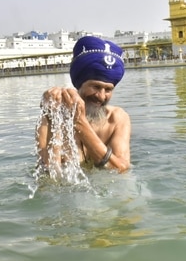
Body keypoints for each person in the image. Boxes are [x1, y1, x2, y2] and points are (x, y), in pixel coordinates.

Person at [36, 36, 131, 173]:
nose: (101, 96)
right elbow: (49, 175)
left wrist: (79, 122)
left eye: (108, 89)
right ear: (79, 85)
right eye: (96, 87)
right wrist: (52, 115)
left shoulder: (117, 118)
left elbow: (121, 168)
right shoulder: (55, 115)